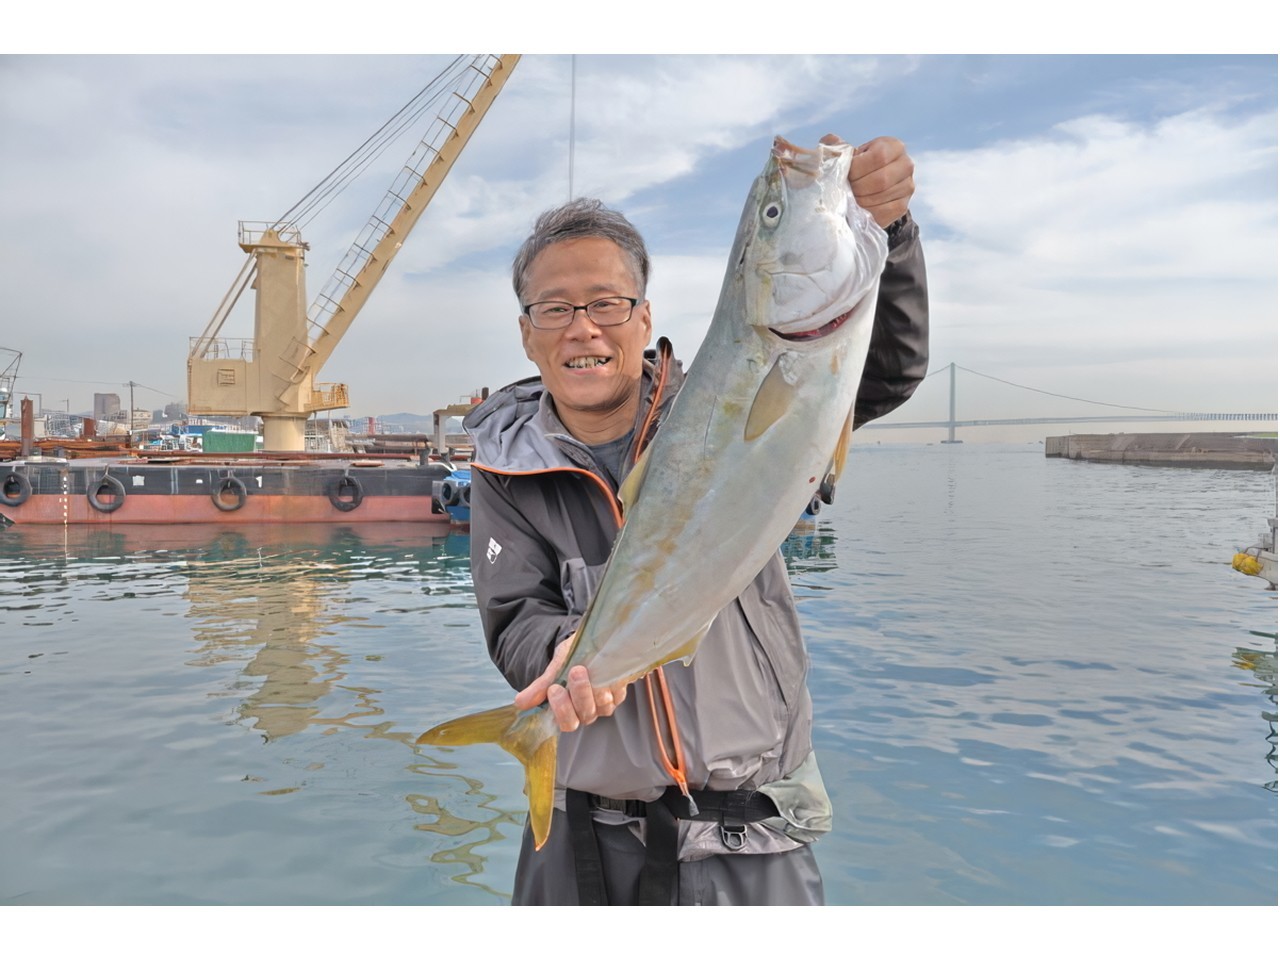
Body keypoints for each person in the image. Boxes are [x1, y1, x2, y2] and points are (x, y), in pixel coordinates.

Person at [462, 135, 928, 905]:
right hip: (582, 850)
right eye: (555, 308)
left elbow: (889, 370)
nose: (583, 328)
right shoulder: (503, 469)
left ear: (643, 317)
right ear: (526, 332)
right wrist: (563, 654)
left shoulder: (720, 399)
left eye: (607, 304)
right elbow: (514, 620)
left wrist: (891, 233)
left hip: (753, 839)